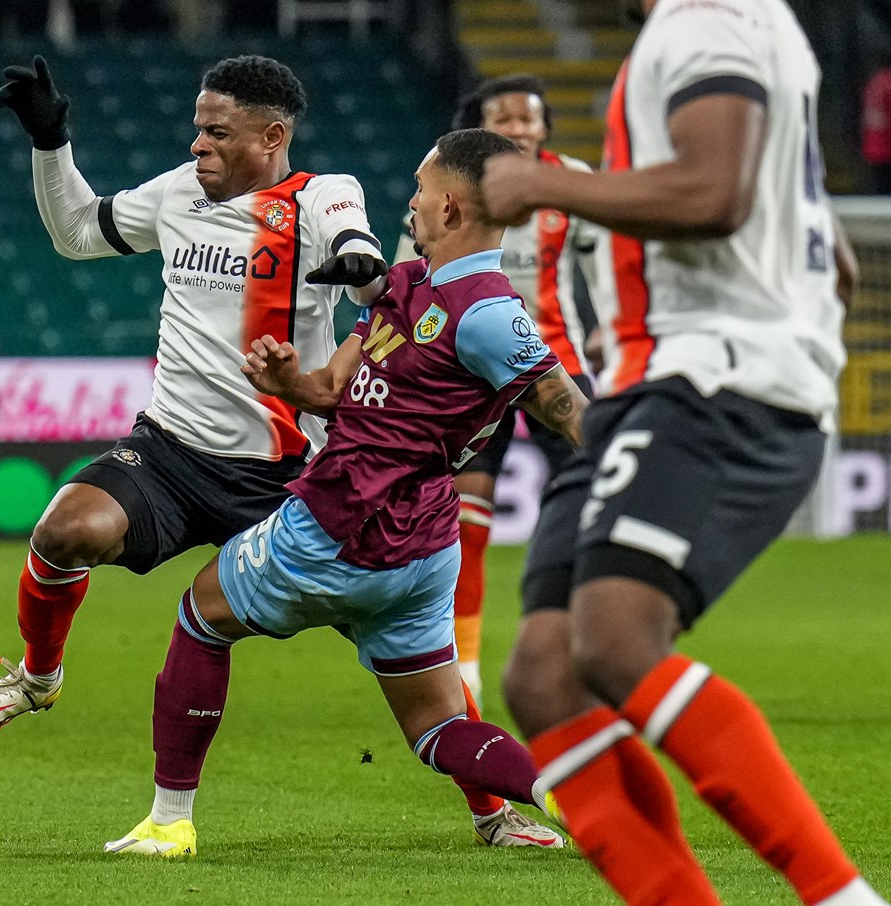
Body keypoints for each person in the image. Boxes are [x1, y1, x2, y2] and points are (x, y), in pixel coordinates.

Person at [481, 1, 883, 904]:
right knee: (544, 675)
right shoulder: (745, 26)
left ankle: (840, 896)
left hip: (710, 384)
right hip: (651, 384)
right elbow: (826, 252)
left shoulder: (705, 19)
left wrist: (539, 186)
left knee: (616, 637)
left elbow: (712, 193)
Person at [103, 128, 587, 858]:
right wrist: (287, 384)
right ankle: (567, 793)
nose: (412, 203)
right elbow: (332, 388)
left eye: (421, 190)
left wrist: (628, 476)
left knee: (201, 615)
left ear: (451, 208)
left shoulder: (488, 309)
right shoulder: (407, 285)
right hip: (422, 550)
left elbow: (559, 402)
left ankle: (168, 822)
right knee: (434, 730)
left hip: (337, 524)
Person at [0, 55, 391, 742]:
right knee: (64, 531)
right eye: (197, 128)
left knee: (387, 632)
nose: (197, 144)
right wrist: (49, 144)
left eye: (217, 132)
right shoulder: (180, 193)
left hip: (284, 472)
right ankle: (36, 678)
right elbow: (76, 233)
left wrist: (361, 263)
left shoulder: (319, 196)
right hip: (168, 453)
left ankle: (490, 804)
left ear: (271, 138)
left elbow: (360, 260)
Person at [396, 74, 600, 705]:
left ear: (544, 128)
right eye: (502, 120)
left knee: (594, 502)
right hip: (471, 371)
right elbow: (413, 271)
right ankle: (467, 663)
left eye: (527, 119)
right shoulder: (446, 189)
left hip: (556, 362)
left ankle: (595, 645)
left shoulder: (575, 183)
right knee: (469, 518)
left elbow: (611, 268)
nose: (517, 128)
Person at [862, 58, 891, 195]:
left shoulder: (875, 82)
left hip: (872, 146)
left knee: (879, 187)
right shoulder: (888, 83)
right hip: (886, 148)